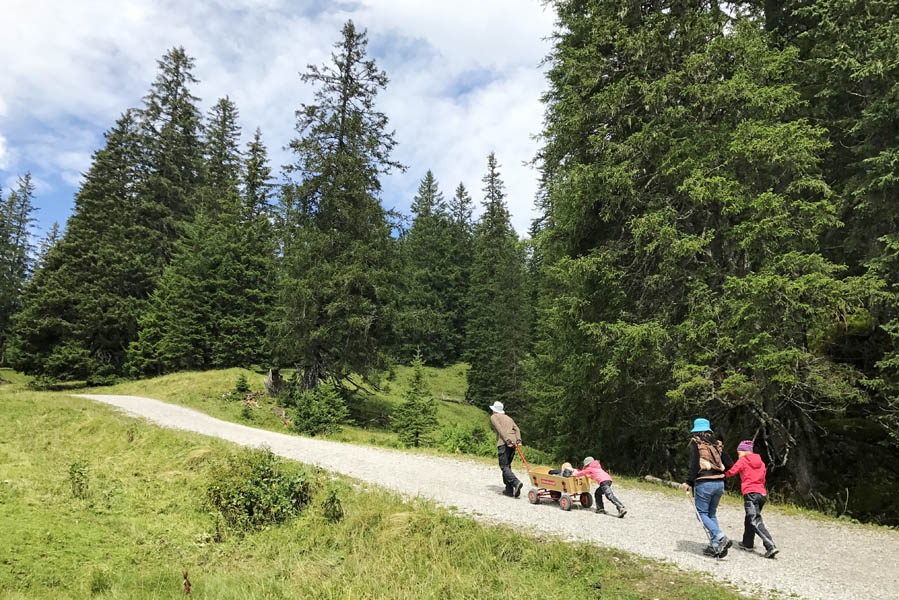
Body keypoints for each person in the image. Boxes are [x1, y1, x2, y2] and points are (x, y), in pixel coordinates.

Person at [681, 418, 734, 558]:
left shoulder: (696, 443)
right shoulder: (717, 445)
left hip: (705, 483)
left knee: (701, 514)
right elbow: (729, 464)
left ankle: (720, 537)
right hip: (719, 483)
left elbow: (694, 464)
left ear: (696, 431)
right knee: (711, 514)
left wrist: (688, 482)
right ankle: (715, 546)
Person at [726, 440, 779, 558]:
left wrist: (720, 471)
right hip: (761, 493)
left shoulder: (743, 461)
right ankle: (747, 543)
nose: (738, 455)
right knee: (750, 518)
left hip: (750, 494)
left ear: (744, 452)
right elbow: (763, 477)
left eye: (739, 452)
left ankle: (770, 545)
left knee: (754, 520)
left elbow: (731, 472)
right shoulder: (761, 462)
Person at [488, 401, 523, 498]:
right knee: (507, 466)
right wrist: (518, 440)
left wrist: (507, 440)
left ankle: (516, 482)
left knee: (504, 466)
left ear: (494, 410)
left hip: (504, 442)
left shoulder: (494, 417)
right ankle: (509, 490)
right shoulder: (509, 418)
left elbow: (499, 428)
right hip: (513, 443)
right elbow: (517, 429)